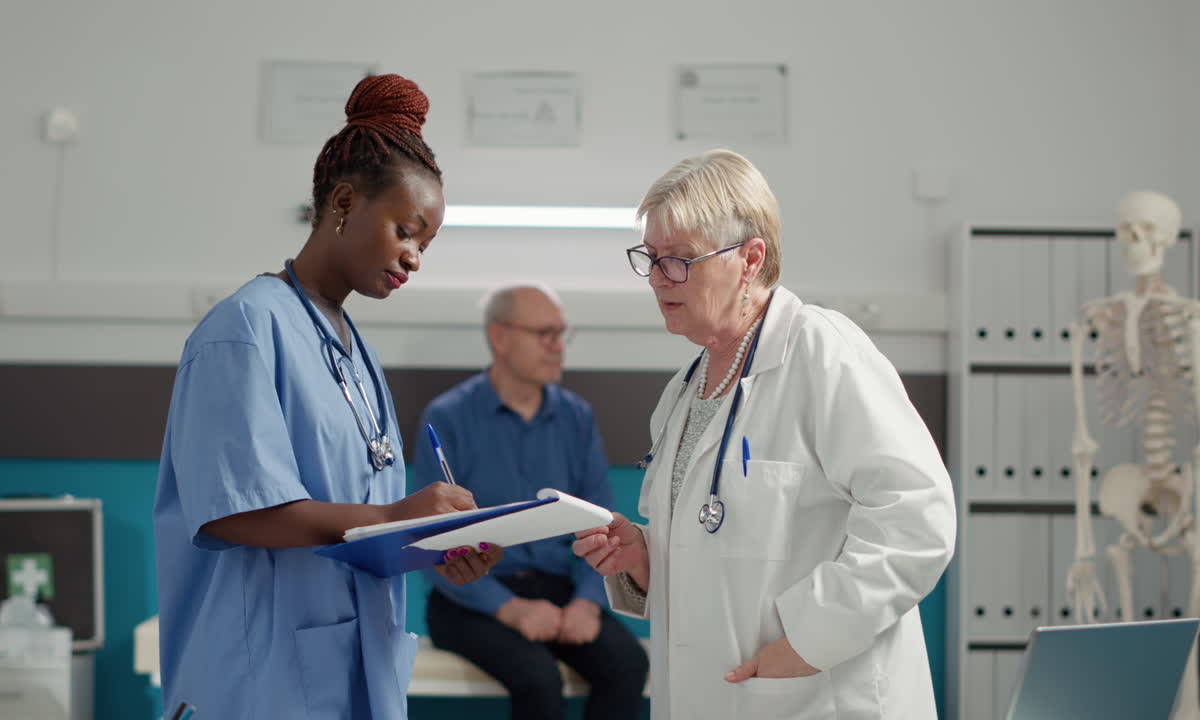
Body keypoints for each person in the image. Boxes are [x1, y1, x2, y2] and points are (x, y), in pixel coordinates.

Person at [154, 74, 502, 720]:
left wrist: (433, 544)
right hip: (258, 681)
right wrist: (403, 517)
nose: (415, 259)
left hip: (349, 674)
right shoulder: (245, 329)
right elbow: (236, 513)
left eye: (425, 245)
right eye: (406, 231)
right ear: (343, 202)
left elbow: (357, 522)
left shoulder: (351, 350)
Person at [573, 149, 956, 719]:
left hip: (817, 695)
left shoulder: (822, 352)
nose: (657, 279)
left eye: (678, 260)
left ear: (750, 258)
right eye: (649, 258)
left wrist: (807, 642)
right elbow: (724, 549)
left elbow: (917, 519)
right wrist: (645, 558)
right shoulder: (683, 391)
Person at [414, 284, 649, 720]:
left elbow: (602, 525)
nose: (558, 347)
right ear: (500, 338)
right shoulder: (447, 417)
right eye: (544, 334)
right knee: (538, 680)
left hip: (559, 593)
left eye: (562, 334)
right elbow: (434, 543)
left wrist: (586, 601)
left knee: (629, 667)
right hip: (470, 595)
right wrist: (509, 608)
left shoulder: (576, 417)